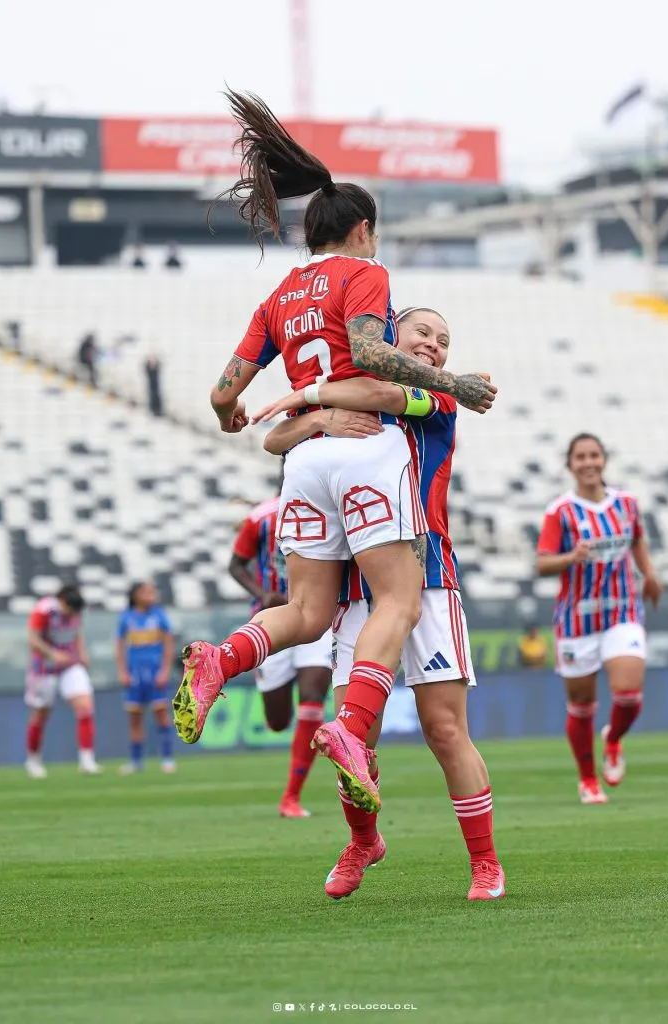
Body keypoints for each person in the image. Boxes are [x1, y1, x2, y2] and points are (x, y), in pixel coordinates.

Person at [172, 89, 496, 820]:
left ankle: (220, 660)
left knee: (307, 610)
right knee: (400, 598)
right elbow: (372, 353)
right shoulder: (365, 274)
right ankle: (350, 734)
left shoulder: (279, 296)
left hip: (306, 462)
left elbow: (224, 392)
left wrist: (239, 417)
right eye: (373, 237)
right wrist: (454, 384)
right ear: (361, 229)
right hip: (364, 451)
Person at [258, 307, 504, 902]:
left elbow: (387, 397)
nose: (435, 347)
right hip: (356, 587)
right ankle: (362, 841)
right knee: (353, 738)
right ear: (388, 338)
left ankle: (485, 863)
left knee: (444, 729)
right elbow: (273, 438)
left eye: (444, 341)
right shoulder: (355, 393)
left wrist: (315, 397)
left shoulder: (436, 397)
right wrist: (323, 418)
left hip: (431, 576)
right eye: (423, 333)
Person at [536, 433, 664, 804]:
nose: (589, 462)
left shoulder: (626, 504)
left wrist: (650, 574)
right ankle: (588, 779)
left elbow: (637, 540)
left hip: (622, 611)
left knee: (628, 695)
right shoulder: (560, 511)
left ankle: (612, 739)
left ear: (603, 460)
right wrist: (570, 557)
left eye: (594, 455)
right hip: (577, 619)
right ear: (570, 464)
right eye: (581, 457)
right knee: (581, 705)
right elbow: (542, 563)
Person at [230, 482, 332, 818]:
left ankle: (291, 797)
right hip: (272, 621)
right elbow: (236, 565)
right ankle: (283, 684)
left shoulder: (328, 510)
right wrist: (262, 594)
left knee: (313, 697)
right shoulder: (260, 518)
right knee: (277, 720)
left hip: (317, 618)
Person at [24, 583, 102, 778]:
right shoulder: (44, 611)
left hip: (70, 664)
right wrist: (52, 653)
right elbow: (32, 639)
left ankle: (87, 759)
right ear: (61, 601)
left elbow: (77, 634)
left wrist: (83, 653)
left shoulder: (75, 612)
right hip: (44, 668)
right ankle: (33, 760)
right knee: (41, 715)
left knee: (85, 707)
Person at [116, 581, 176, 774]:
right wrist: (123, 671)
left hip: (155, 672)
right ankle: (136, 761)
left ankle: (167, 759)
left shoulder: (159, 616)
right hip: (135, 674)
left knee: (161, 714)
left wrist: (165, 670)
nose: (151, 594)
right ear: (135, 595)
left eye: (152, 591)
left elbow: (168, 644)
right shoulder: (127, 618)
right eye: (145, 591)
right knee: (134, 717)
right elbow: (119, 647)